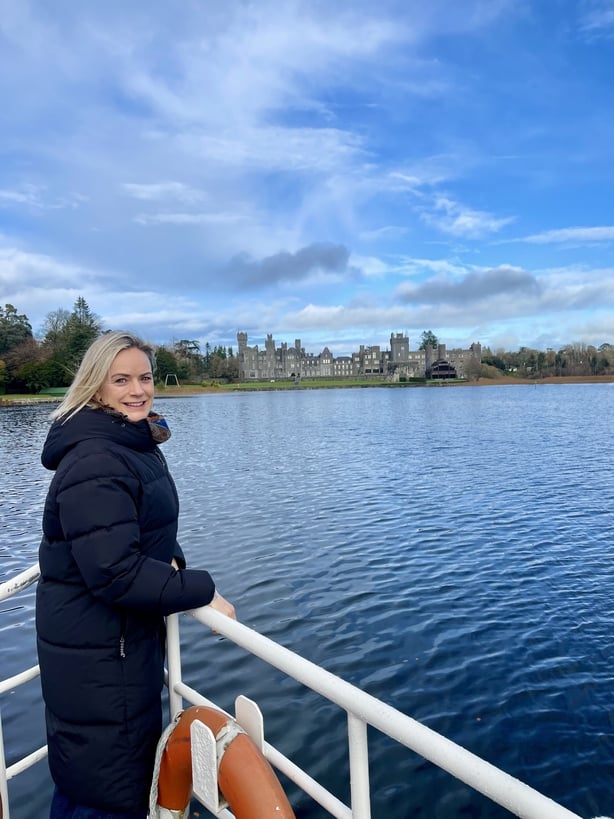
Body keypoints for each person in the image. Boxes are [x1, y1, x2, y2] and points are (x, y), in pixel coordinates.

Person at [36, 331, 236, 819]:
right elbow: (115, 572)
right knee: (106, 788)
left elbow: (137, 530)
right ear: (95, 387)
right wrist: (202, 591)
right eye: (120, 379)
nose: (138, 390)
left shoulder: (125, 441)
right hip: (100, 655)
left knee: (106, 777)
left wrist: (174, 563)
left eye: (145, 377)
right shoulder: (96, 459)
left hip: (112, 646)